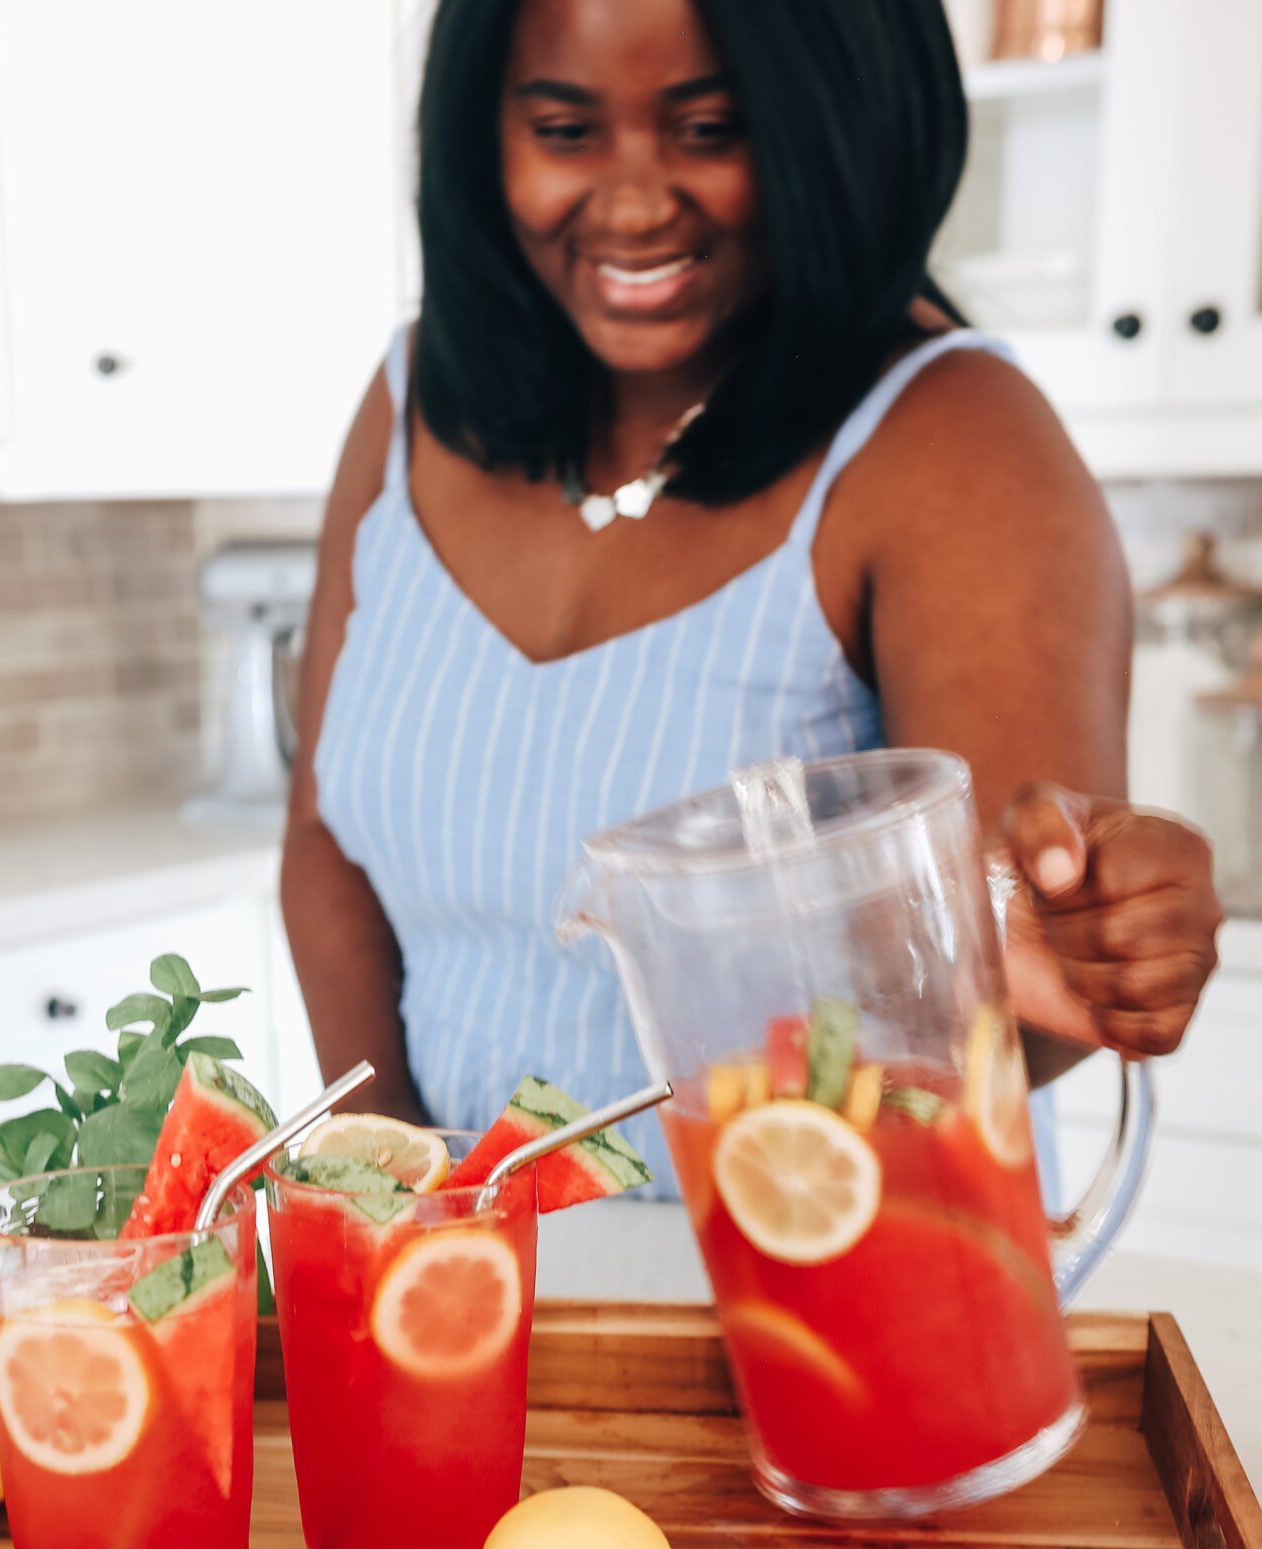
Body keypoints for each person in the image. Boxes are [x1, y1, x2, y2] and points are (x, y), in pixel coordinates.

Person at [281, 0, 1222, 1285]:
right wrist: (400, 1201)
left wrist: (1100, 946)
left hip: (833, 1311)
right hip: (480, 1308)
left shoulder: (956, 442)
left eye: (710, 129)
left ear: (836, 128)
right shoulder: (408, 402)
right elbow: (325, 840)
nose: (631, 206)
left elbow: (1019, 982)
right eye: (564, 129)